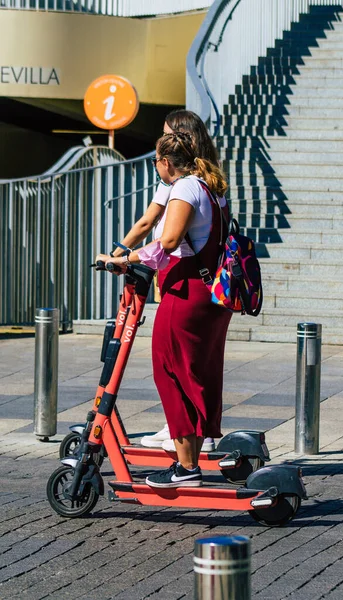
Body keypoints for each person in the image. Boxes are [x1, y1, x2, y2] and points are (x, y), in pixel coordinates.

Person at [97, 131, 231, 487]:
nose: (156, 166)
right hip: (211, 292)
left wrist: (123, 257)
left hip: (186, 291)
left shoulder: (185, 188)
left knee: (171, 371)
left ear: (166, 163)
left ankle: (186, 468)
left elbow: (168, 241)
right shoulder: (212, 186)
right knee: (197, 374)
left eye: (156, 160)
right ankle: (191, 460)